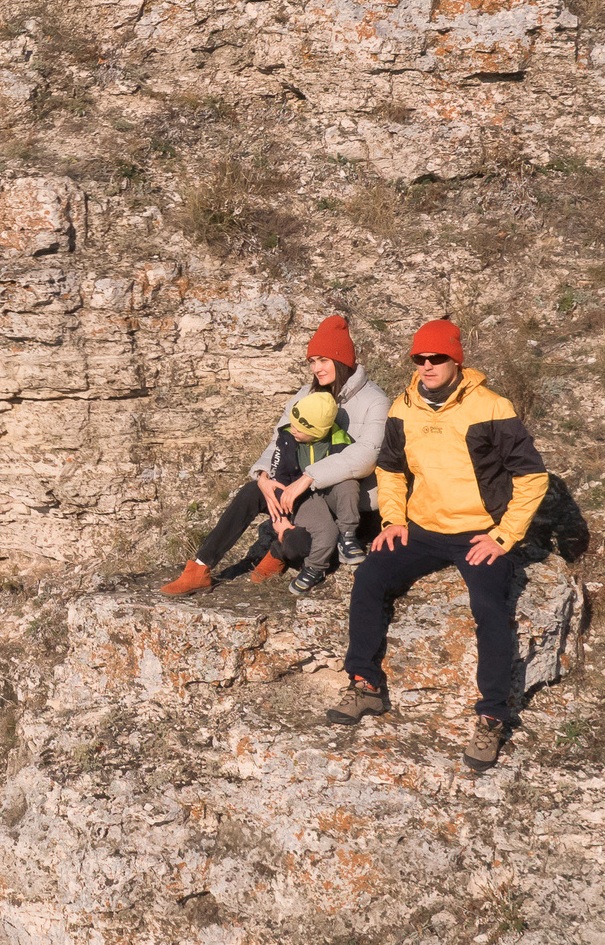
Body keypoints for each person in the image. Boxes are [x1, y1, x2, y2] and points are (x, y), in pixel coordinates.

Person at [324, 319, 549, 772]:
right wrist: (393, 518)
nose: (427, 366)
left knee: (488, 606)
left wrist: (504, 536)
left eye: (436, 358)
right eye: (419, 359)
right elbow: (389, 469)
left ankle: (491, 717)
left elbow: (532, 476)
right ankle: (366, 686)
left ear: (455, 359)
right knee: (368, 578)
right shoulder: (404, 407)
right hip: (422, 530)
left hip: (478, 532)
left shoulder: (491, 407)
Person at [162, 315, 394, 598]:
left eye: (323, 360)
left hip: (344, 500)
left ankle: (278, 551)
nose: (316, 368)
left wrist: (308, 478)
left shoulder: (375, 400)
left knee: (306, 542)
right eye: (312, 361)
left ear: (341, 359)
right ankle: (199, 568)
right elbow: (278, 440)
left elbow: (367, 454)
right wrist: (262, 476)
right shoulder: (305, 394)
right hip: (304, 491)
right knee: (252, 492)